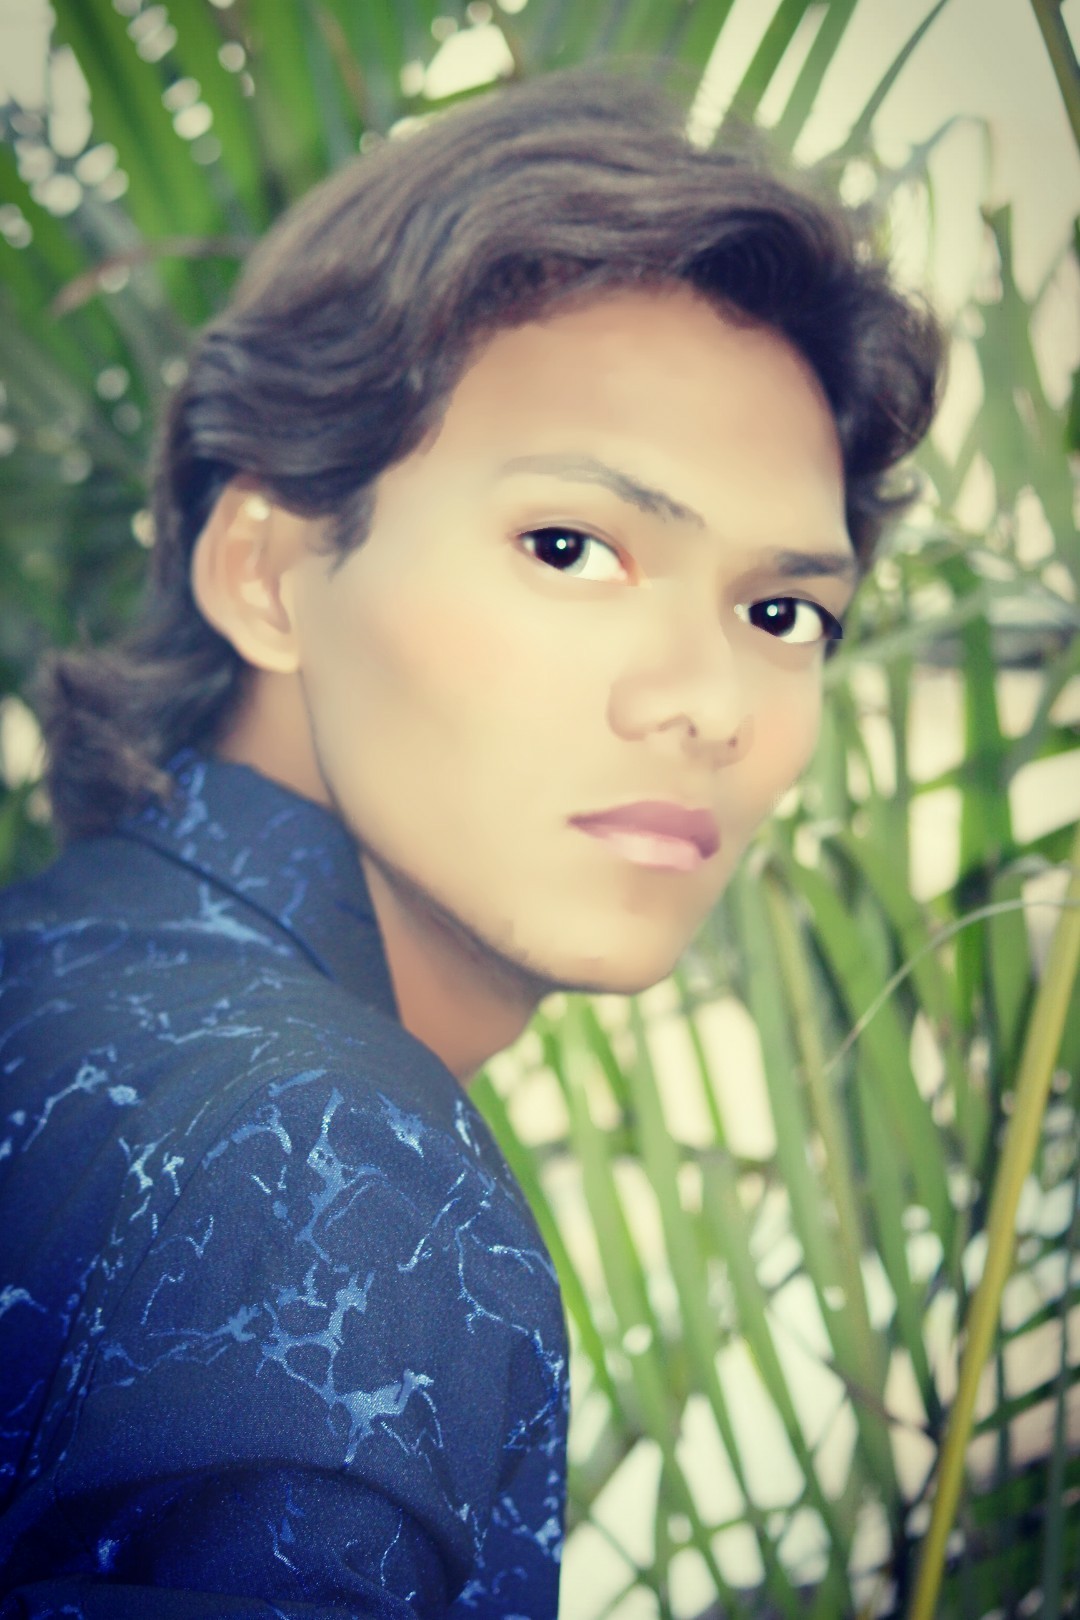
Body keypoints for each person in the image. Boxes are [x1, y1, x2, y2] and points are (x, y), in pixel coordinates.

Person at [0, 64, 943, 1617]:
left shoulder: (56, 971)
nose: (710, 703)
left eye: (784, 613)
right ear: (269, 572)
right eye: (571, 546)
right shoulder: (330, 1160)